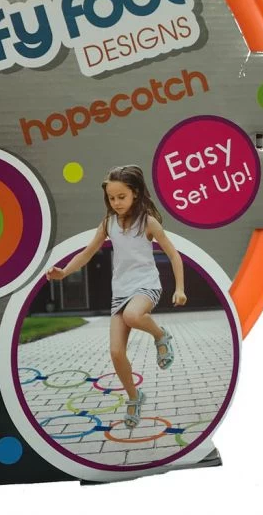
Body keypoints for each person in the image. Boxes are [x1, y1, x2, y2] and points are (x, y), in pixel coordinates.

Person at [46, 164, 187, 428]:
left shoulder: (148, 222)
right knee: (115, 351)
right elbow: (87, 253)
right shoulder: (108, 224)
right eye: (111, 198)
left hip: (146, 286)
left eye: (121, 197)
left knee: (134, 316)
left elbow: (173, 255)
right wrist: (63, 272)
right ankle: (134, 397)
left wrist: (179, 288)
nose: (116, 203)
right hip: (121, 292)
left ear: (135, 193)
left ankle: (160, 336)